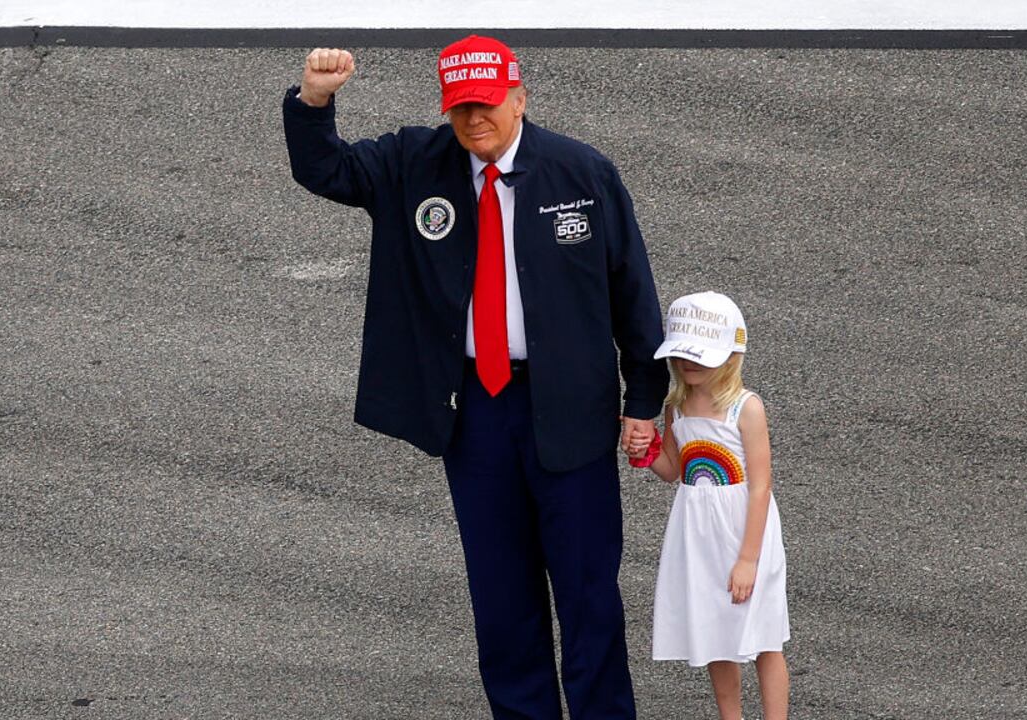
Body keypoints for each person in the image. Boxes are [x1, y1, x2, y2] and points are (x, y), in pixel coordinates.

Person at [282, 36, 668, 720]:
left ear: (519, 97)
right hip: (476, 413)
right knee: (502, 599)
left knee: (588, 595)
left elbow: (630, 289)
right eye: (460, 109)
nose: (473, 122)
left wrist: (644, 399)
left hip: (570, 410)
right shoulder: (413, 162)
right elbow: (325, 170)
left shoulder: (582, 174)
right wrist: (315, 100)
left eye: (486, 105)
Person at [626, 291, 790, 720]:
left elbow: (760, 486)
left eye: (700, 355)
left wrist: (748, 560)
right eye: (681, 356)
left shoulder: (746, 409)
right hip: (698, 535)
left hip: (744, 533)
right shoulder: (677, 407)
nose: (688, 364)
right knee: (716, 633)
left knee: (764, 637)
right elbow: (675, 470)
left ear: (732, 355)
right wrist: (645, 452)